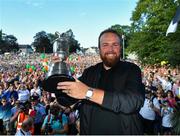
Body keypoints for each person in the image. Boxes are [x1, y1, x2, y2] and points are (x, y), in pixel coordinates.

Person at [56, 29, 145, 134]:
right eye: (105, 45)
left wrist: (88, 93)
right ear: (99, 49)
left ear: (120, 48)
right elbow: (65, 99)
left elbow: (132, 102)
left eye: (115, 44)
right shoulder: (89, 72)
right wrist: (59, 70)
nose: (110, 49)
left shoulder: (132, 70)